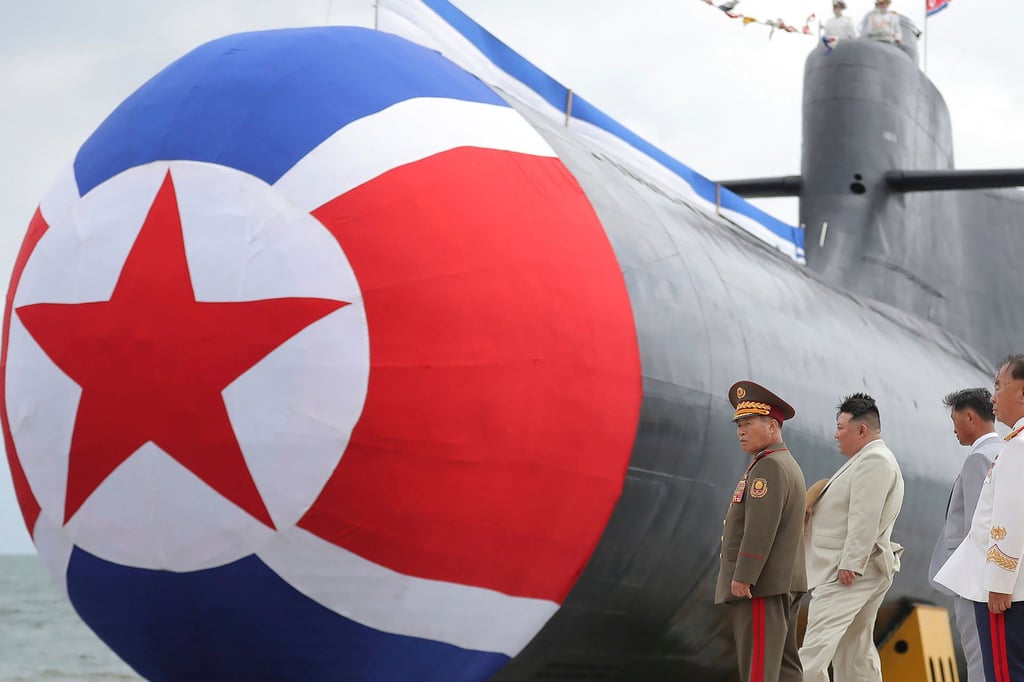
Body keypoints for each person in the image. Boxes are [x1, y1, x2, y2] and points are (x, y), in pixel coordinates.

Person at [800, 393, 904, 682]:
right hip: (859, 568)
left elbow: (864, 516)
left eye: (841, 428)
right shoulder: (868, 460)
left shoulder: (874, 461)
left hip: (846, 573)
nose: (835, 435)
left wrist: (852, 563)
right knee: (854, 652)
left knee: (813, 653)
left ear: (862, 430)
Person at [936, 355, 1024, 681]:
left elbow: (1010, 517)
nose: (993, 396)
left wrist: (998, 584)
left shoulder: (1017, 447)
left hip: (1007, 591)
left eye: (1000, 386)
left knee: (1003, 673)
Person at [716, 381, 807, 682]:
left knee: (760, 669)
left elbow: (760, 526)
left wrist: (744, 575)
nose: (741, 430)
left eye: (748, 423)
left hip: (761, 585)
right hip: (780, 581)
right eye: (738, 424)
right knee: (783, 667)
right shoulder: (783, 463)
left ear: (772, 426)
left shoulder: (768, 467)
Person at [928, 388, 1000, 682]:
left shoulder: (978, 459)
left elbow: (976, 530)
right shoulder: (1003, 452)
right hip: (993, 582)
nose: (954, 429)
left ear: (970, 417)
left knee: (979, 660)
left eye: (955, 420)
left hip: (974, 585)